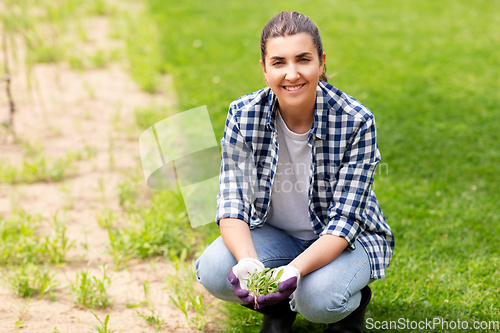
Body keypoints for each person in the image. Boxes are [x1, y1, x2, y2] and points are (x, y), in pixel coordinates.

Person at [196, 11, 395, 333]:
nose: (292, 74)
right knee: (216, 271)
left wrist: (294, 271)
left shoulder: (356, 119)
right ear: (264, 69)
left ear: (321, 62)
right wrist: (249, 262)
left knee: (318, 301)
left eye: (303, 59)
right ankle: (278, 309)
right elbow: (232, 198)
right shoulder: (243, 114)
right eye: (278, 62)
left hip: (344, 241)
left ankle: (350, 308)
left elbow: (345, 222)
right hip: (278, 236)